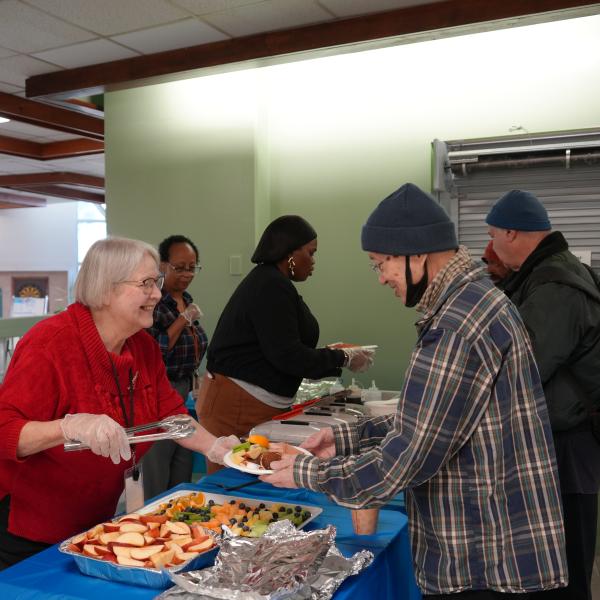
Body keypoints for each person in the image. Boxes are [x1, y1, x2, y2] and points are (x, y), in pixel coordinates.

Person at [263, 184, 567, 598]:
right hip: (497, 544)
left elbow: (403, 461)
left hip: (484, 557)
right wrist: (346, 436)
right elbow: (434, 417)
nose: (383, 278)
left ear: (416, 255)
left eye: (379, 264)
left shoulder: (457, 324)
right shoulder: (474, 302)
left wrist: (305, 472)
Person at [0, 237, 237, 570]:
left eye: (156, 282)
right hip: (29, 532)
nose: (157, 293)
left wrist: (216, 448)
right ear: (105, 289)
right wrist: (68, 427)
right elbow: (6, 431)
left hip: (94, 521)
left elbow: (170, 416)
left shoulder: (142, 346)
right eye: (146, 283)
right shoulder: (49, 344)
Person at [486, 190, 600, 600]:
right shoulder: (552, 272)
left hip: (567, 446)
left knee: (564, 568)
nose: (492, 248)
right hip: (562, 438)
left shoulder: (555, 285)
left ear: (512, 232)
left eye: (494, 236)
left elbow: (522, 366)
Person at [197, 215, 374, 473]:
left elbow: (284, 344)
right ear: (290, 253)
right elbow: (288, 356)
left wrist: (334, 353)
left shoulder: (275, 283)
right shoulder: (269, 285)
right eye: (310, 253)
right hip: (236, 405)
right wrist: (343, 358)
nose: (313, 262)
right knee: (237, 486)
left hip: (254, 403)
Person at [143, 235, 208, 500]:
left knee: (182, 465)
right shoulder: (155, 303)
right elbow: (156, 349)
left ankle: (178, 519)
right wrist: (183, 319)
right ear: (162, 266)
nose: (187, 274)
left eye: (192, 267)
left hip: (184, 388)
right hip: (160, 390)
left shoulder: (187, 299)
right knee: (158, 463)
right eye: (179, 268)